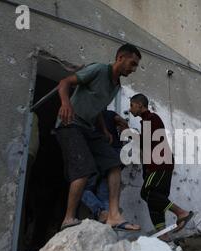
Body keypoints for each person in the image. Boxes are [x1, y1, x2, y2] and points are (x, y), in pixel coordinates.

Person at [55, 43, 141, 231]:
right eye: (132, 63)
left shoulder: (116, 85)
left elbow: (99, 107)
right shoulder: (99, 69)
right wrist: (65, 103)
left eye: (136, 66)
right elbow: (64, 83)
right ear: (120, 58)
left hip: (89, 128)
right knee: (84, 169)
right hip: (70, 124)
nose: (133, 69)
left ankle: (113, 215)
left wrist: (104, 129)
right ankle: (68, 218)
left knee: (114, 162)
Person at [129, 93, 194, 237]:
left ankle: (181, 213)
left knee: (147, 193)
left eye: (132, 105)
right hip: (155, 165)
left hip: (160, 163)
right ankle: (163, 236)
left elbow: (146, 142)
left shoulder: (152, 118)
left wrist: (128, 132)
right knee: (155, 200)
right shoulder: (146, 121)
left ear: (140, 105)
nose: (130, 109)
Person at [81, 110, 129, 223]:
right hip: (114, 153)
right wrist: (124, 133)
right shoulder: (110, 114)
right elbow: (123, 123)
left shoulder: (90, 114)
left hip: (100, 154)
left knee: (82, 189)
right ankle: (107, 217)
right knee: (104, 189)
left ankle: (100, 211)